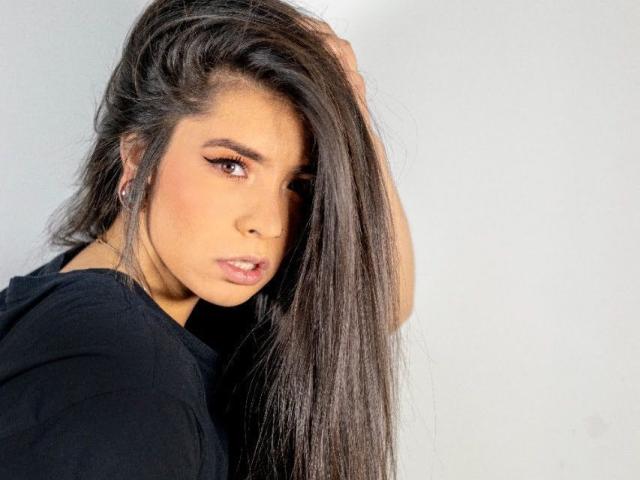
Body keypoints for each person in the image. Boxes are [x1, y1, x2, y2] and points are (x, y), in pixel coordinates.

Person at [0, 0, 415, 478]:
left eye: (298, 185)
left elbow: (377, 301)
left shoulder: (150, 305)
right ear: (138, 158)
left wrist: (351, 114)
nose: (270, 223)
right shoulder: (126, 376)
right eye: (231, 166)